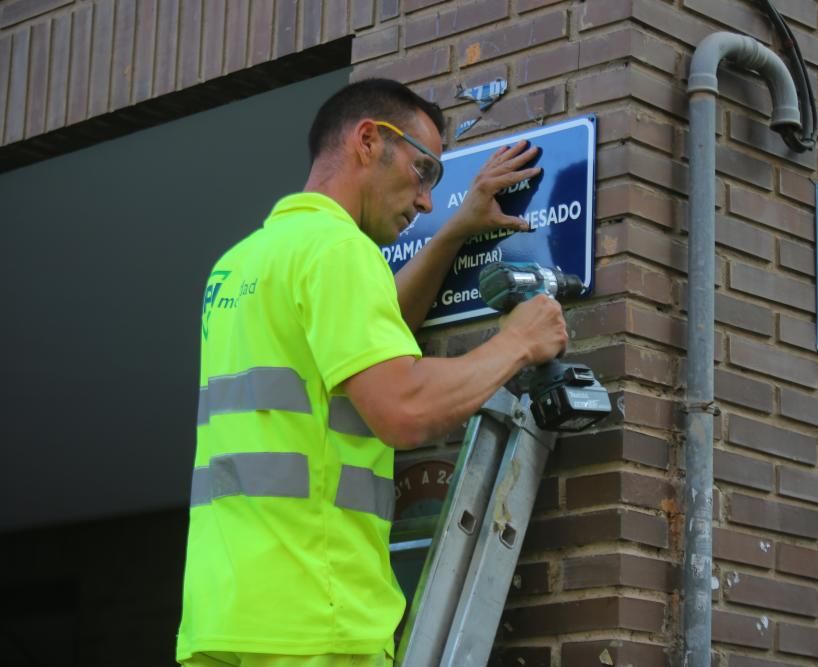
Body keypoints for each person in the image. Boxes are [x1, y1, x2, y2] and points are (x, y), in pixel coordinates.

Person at [176, 78, 568, 667]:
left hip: (225, 620)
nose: (428, 200)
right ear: (367, 141)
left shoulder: (238, 264)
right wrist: (516, 342)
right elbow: (403, 407)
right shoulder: (339, 251)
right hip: (318, 619)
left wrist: (454, 234)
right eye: (424, 169)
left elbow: (365, 345)